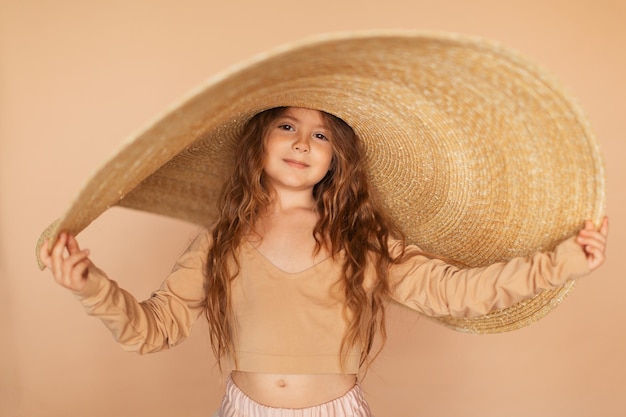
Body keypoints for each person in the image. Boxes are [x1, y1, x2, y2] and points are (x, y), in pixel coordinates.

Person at [40, 106, 609, 417]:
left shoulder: (361, 237)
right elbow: (153, 329)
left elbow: (452, 291)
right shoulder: (222, 240)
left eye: (322, 135)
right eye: (287, 125)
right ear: (258, 141)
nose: (303, 142)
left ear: (337, 160)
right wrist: (90, 285)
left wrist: (558, 264)